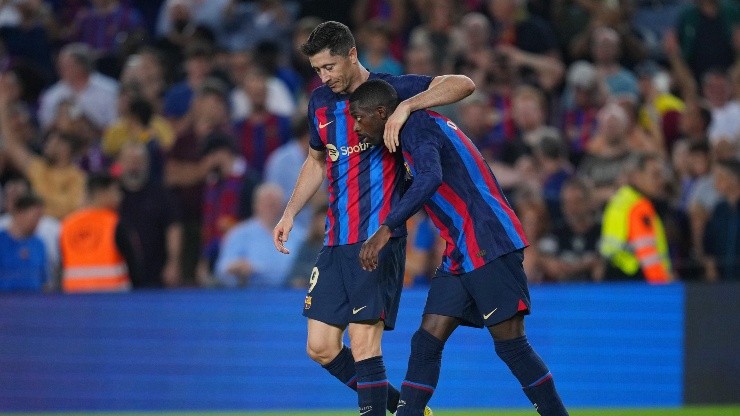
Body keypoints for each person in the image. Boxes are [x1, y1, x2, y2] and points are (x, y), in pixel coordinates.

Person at [272, 21, 474, 416]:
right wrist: (290, 212)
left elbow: (463, 83)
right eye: (317, 70)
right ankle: (401, 407)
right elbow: (317, 160)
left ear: (351, 54)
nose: (324, 76)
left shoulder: (388, 90)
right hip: (335, 241)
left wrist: (407, 107)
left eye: (329, 66)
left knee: (365, 344)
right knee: (321, 347)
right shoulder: (319, 103)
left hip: (376, 240)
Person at [349, 79, 568, 415]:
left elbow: (431, 176)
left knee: (511, 345)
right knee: (426, 342)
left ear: (381, 112)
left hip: (486, 238)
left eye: (360, 118)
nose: (356, 127)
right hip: (459, 249)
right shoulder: (413, 129)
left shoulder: (415, 127)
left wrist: (387, 228)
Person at [599, 152, 673, 283]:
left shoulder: (621, 199)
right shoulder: (639, 206)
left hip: (614, 276)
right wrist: (664, 286)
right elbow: (648, 255)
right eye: (655, 175)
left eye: (661, 175)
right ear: (636, 176)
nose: (661, 181)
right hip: (635, 280)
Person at [117, 141, 182, 288]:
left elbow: (173, 228)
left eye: (139, 161)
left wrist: (173, 262)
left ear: (147, 164)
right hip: (118, 272)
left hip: (155, 271)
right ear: (120, 163)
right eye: (130, 161)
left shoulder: (161, 194)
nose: (135, 166)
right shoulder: (112, 193)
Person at [60, 173, 136, 293]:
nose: (120, 197)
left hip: (75, 300)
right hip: (112, 300)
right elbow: (134, 265)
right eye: (115, 191)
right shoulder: (115, 223)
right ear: (102, 193)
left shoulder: (67, 225)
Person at [216, 183, 301, 288]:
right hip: (248, 296)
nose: (270, 208)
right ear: (255, 205)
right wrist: (236, 267)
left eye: (274, 204)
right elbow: (221, 270)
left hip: (290, 295)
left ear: (283, 207)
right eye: (266, 204)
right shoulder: (238, 234)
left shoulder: (299, 236)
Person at [0, 192, 47, 292]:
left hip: (33, 304)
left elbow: (44, 281)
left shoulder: (39, 245)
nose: (38, 222)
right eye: (35, 216)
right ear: (19, 214)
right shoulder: (1, 242)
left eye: (40, 217)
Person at [702, 158, 740, 281]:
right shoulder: (719, 209)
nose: (715, 183)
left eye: (720, 177)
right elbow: (709, 242)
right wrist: (710, 266)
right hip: (722, 283)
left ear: (734, 179)